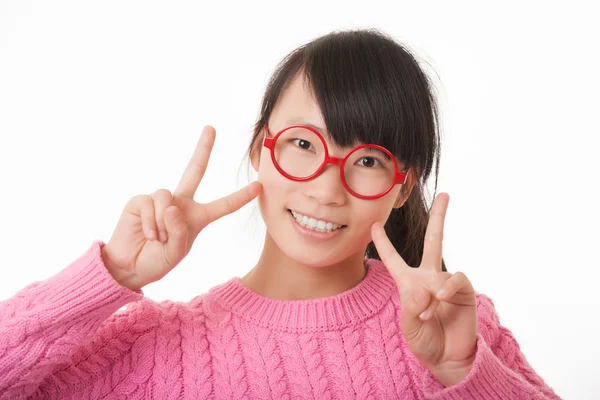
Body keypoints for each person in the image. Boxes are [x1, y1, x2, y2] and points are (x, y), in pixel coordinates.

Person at [0, 29, 561, 399]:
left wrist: (463, 370)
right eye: (302, 144)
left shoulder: (457, 330)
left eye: (367, 159)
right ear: (259, 150)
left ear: (400, 186)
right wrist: (111, 276)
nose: (325, 187)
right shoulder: (152, 347)